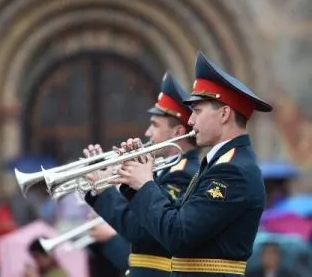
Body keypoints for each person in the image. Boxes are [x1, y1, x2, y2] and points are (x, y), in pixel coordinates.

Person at [105, 51, 272, 276]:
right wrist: (136, 179)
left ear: (224, 114)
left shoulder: (232, 171)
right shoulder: (221, 163)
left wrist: (145, 184)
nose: (191, 121)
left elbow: (179, 235)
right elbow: (173, 218)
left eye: (197, 111)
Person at [84, 72, 200, 276]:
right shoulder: (164, 171)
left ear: (178, 132)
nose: (147, 133)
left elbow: (140, 232)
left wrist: (105, 191)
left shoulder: (183, 175)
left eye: (154, 125)